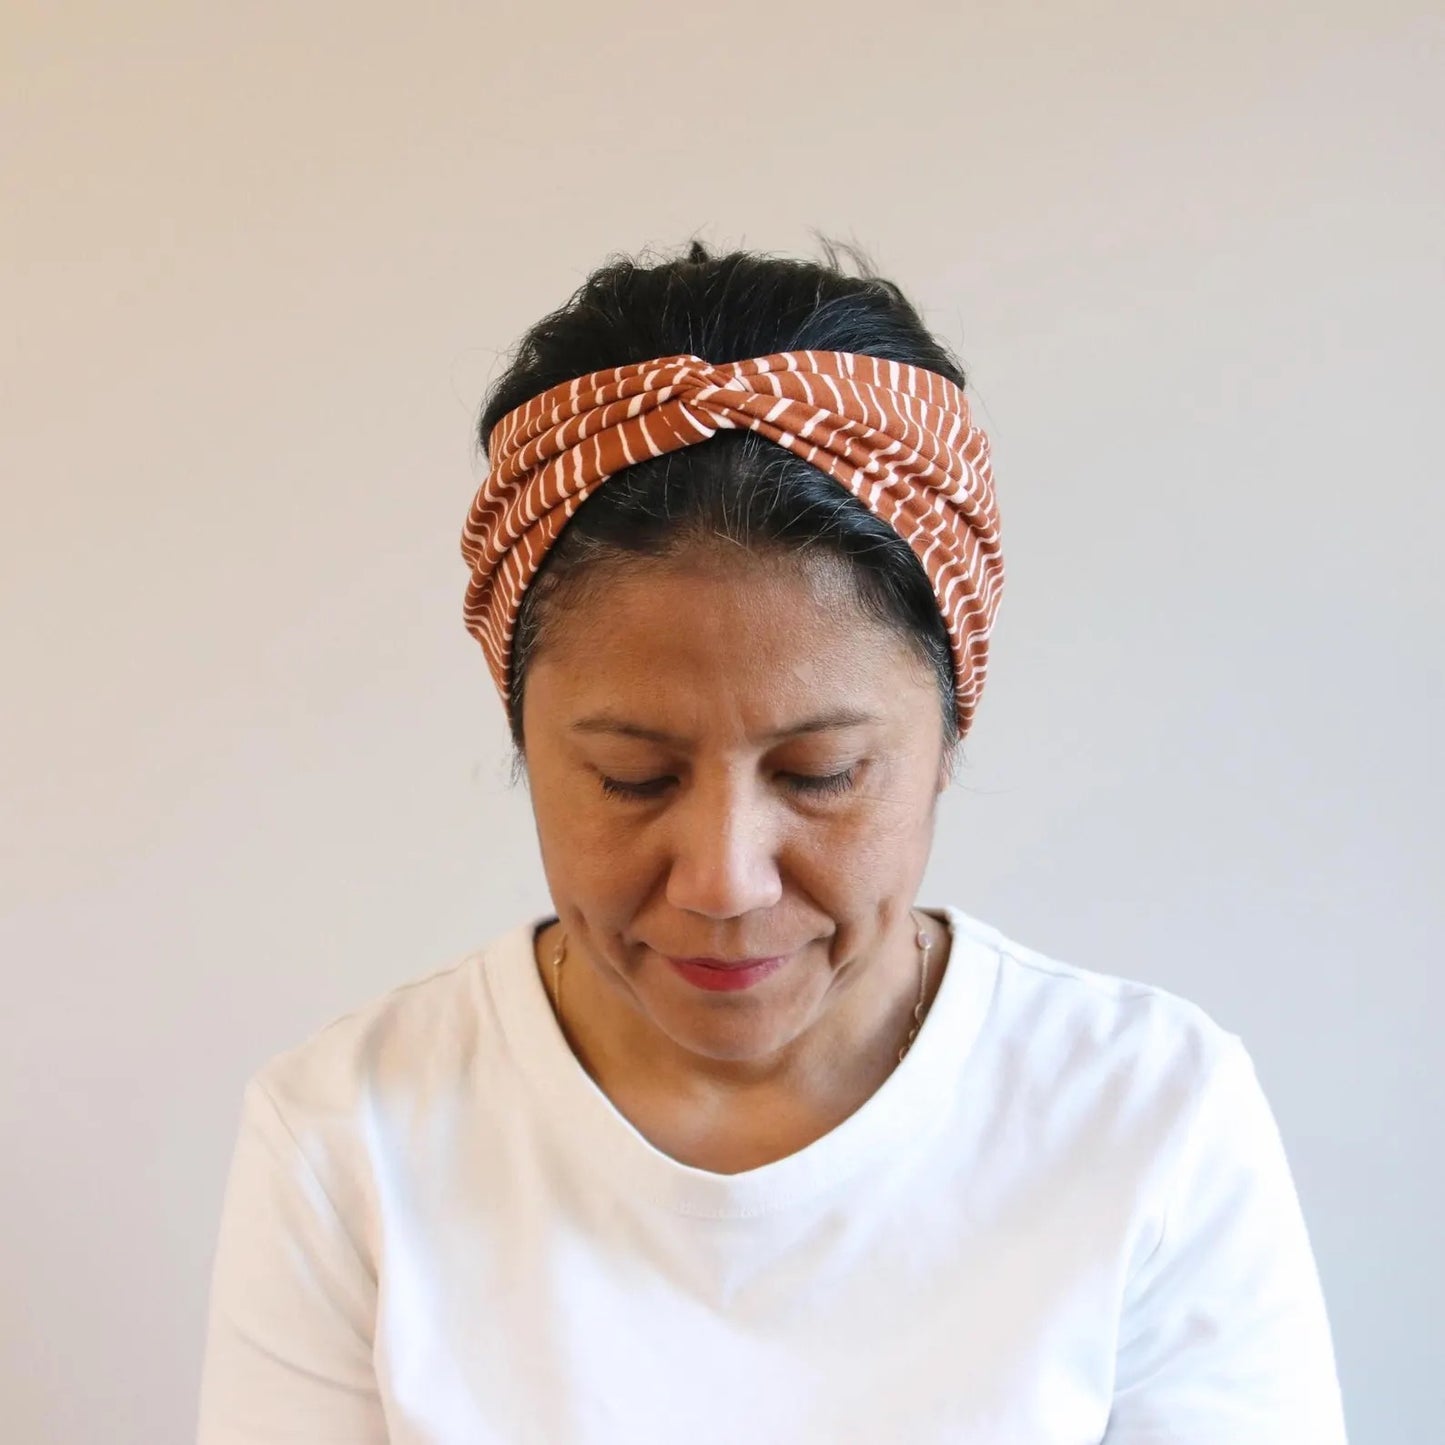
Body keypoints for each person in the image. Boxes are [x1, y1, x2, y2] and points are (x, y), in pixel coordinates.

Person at [195, 237, 1348, 1443]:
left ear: (948, 734)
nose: (724, 879)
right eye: (630, 776)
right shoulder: (350, 1135)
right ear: (524, 740)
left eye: (821, 773)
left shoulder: (1144, 1117)